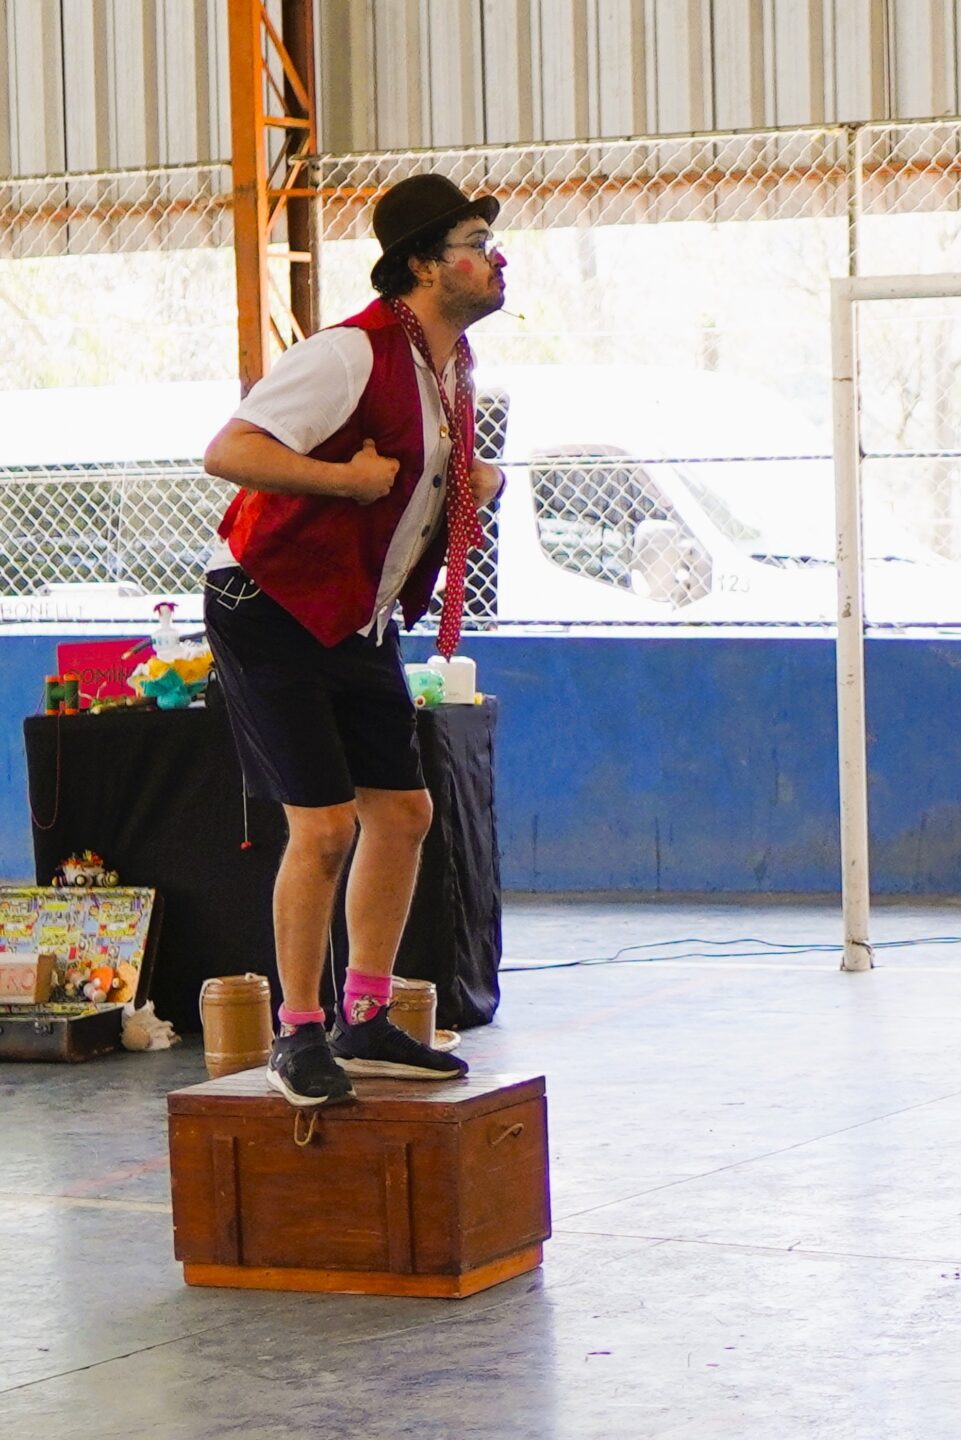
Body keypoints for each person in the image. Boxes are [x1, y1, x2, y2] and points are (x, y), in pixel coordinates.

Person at [200, 174, 507, 1107]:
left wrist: (475, 478)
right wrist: (345, 481)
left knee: (404, 815)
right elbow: (229, 451)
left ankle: (364, 1017)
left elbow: (418, 475)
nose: (493, 260)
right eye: (473, 244)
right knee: (326, 826)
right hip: (271, 604)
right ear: (422, 265)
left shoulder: (448, 369)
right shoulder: (349, 352)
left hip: (355, 615)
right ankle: (297, 1031)